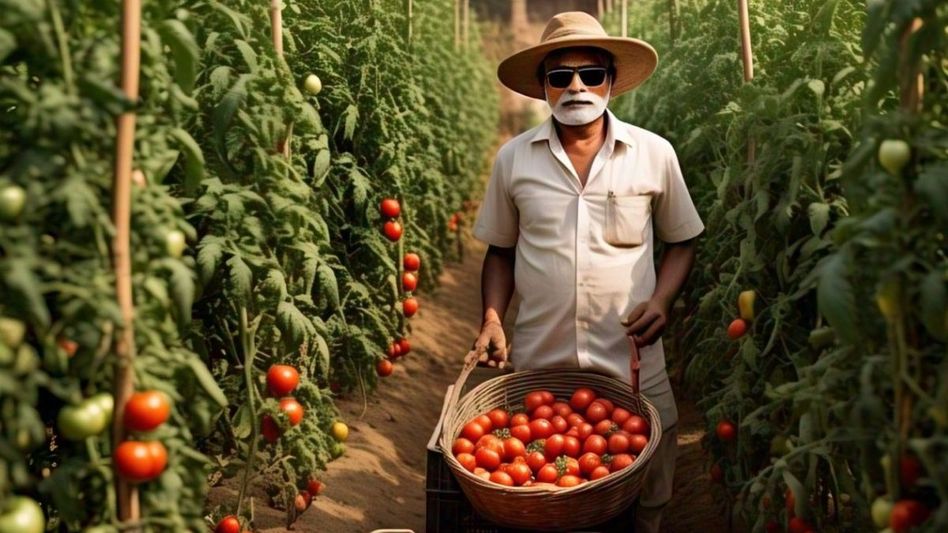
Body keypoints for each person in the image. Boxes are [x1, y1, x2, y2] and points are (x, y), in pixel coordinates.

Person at [470, 11, 705, 533]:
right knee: (542, 495)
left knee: (648, 494)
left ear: (610, 82)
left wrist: (662, 301)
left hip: (631, 362)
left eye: (590, 74)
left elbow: (683, 240)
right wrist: (491, 318)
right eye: (561, 76)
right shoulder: (513, 160)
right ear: (543, 88)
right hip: (540, 370)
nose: (576, 86)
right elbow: (501, 252)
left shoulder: (653, 154)